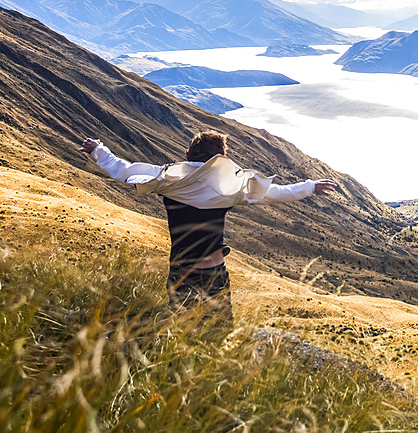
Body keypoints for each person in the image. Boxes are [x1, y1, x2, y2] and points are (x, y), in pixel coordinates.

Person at [80, 131, 337, 331]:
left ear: (190, 154)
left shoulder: (168, 181)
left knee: (182, 333)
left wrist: (98, 150)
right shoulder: (227, 189)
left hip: (180, 270)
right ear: (219, 159)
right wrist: (310, 187)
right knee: (218, 334)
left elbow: (123, 169)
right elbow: (274, 193)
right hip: (214, 273)